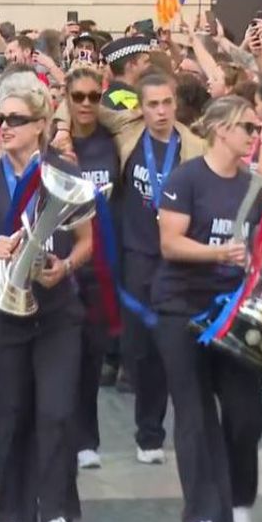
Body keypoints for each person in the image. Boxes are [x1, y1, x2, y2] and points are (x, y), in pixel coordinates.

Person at [0, 71, 93, 522]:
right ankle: (12, 519)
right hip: (3, 313)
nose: (6, 126)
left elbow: (87, 242)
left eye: (17, 119)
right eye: (1, 118)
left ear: (41, 123)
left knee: (57, 413)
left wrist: (66, 266)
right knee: (11, 415)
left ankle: (56, 515)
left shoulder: (66, 173)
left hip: (57, 311)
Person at [54, 71, 205, 467]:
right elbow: (71, 106)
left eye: (166, 102)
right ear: (139, 107)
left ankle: (150, 433)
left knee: (166, 347)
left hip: (171, 259)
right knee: (132, 350)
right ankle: (87, 439)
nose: (159, 111)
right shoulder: (124, 133)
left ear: (176, 103)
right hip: (126, 257)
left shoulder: (191, 145)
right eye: (151, 104)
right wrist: (59, 127)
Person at [152, 95, 262, 522]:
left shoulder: (254, 186)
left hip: (234, 311)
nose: (255, 136)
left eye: (257, 129)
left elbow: (261, 250)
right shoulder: (187, 178)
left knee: (246, 414)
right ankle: (199, 514)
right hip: (182, 305)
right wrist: (219, 253)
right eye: (248, 128)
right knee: (194, 412)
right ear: (221, 130)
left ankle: (238, 493)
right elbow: (170, 244)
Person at [57, 66, 120, 470]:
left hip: (101, 264)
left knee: (92, 358)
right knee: (60, 357)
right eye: (77, 96)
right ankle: (58, 434)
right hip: (61, 258)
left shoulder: (114, 140)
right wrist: (58, 126)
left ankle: (87, 439)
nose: (85, 104)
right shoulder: (52, 140)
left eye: (93, 97)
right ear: (65, 97)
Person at [100, 36, 151, 111]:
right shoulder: (116, 103)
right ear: (132, 65)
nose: (150, 65)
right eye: (146, 62)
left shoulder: (139, 95)